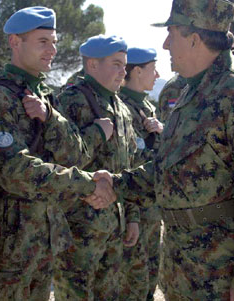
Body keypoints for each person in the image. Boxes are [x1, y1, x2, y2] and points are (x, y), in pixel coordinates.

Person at [93, 0, 234, 301]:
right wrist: (116, 184)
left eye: (171, 35)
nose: (165, 45)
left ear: (195, 39)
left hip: (219, 272)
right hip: (185, 265)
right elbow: (170, 168)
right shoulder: (193, 90)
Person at [0, 6, 116, 300]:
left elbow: (75, 155)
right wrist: (87, 184)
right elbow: (15, 172)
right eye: (43, 42)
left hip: (43, 238)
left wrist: (51, 118)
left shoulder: (44, 95)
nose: (52, 50)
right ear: (15, 42)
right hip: (8, 244)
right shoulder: (0, 95)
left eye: (54, 42)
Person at [55, 35, 141, 300]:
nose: (123, 72)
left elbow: (130, 165)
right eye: (116, 64)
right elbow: (60, 160)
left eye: (124, 65)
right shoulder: (71, 101)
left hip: (114, 224)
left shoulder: (120, 106)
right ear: (92, 64)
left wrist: (133, 216)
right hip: (79, 226)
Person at [119, 47, 163, 300]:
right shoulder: (122, 107)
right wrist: (132, 215)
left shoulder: (146, 105)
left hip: (152, 208)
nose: (157, 75)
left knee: (150, 275)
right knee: (132, 281)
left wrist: (162, 131)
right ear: (136, 71)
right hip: (134, 208)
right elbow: (125, 166)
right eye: (152, 69)